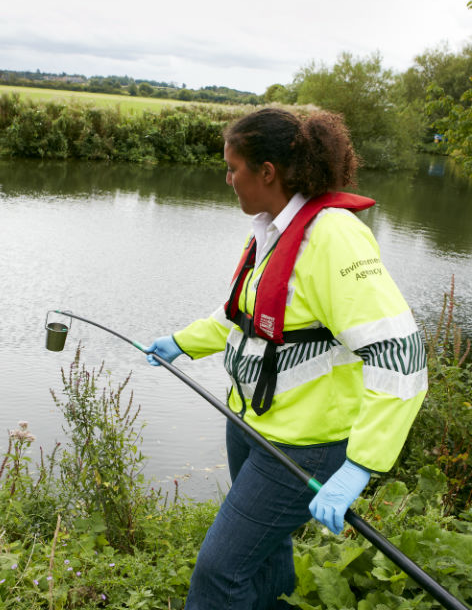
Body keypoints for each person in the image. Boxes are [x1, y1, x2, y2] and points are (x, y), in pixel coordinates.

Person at [144, 107, 427, 610]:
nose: (227, 179)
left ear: (267, 172)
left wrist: (359, 466)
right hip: (255, 426)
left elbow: (400, 353)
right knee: (267, 553)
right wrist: (181, 341)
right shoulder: (273, 230)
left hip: (305, 447)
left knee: (219, 572)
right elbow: (249, 317)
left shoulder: (333, 237)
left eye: (233, 168)